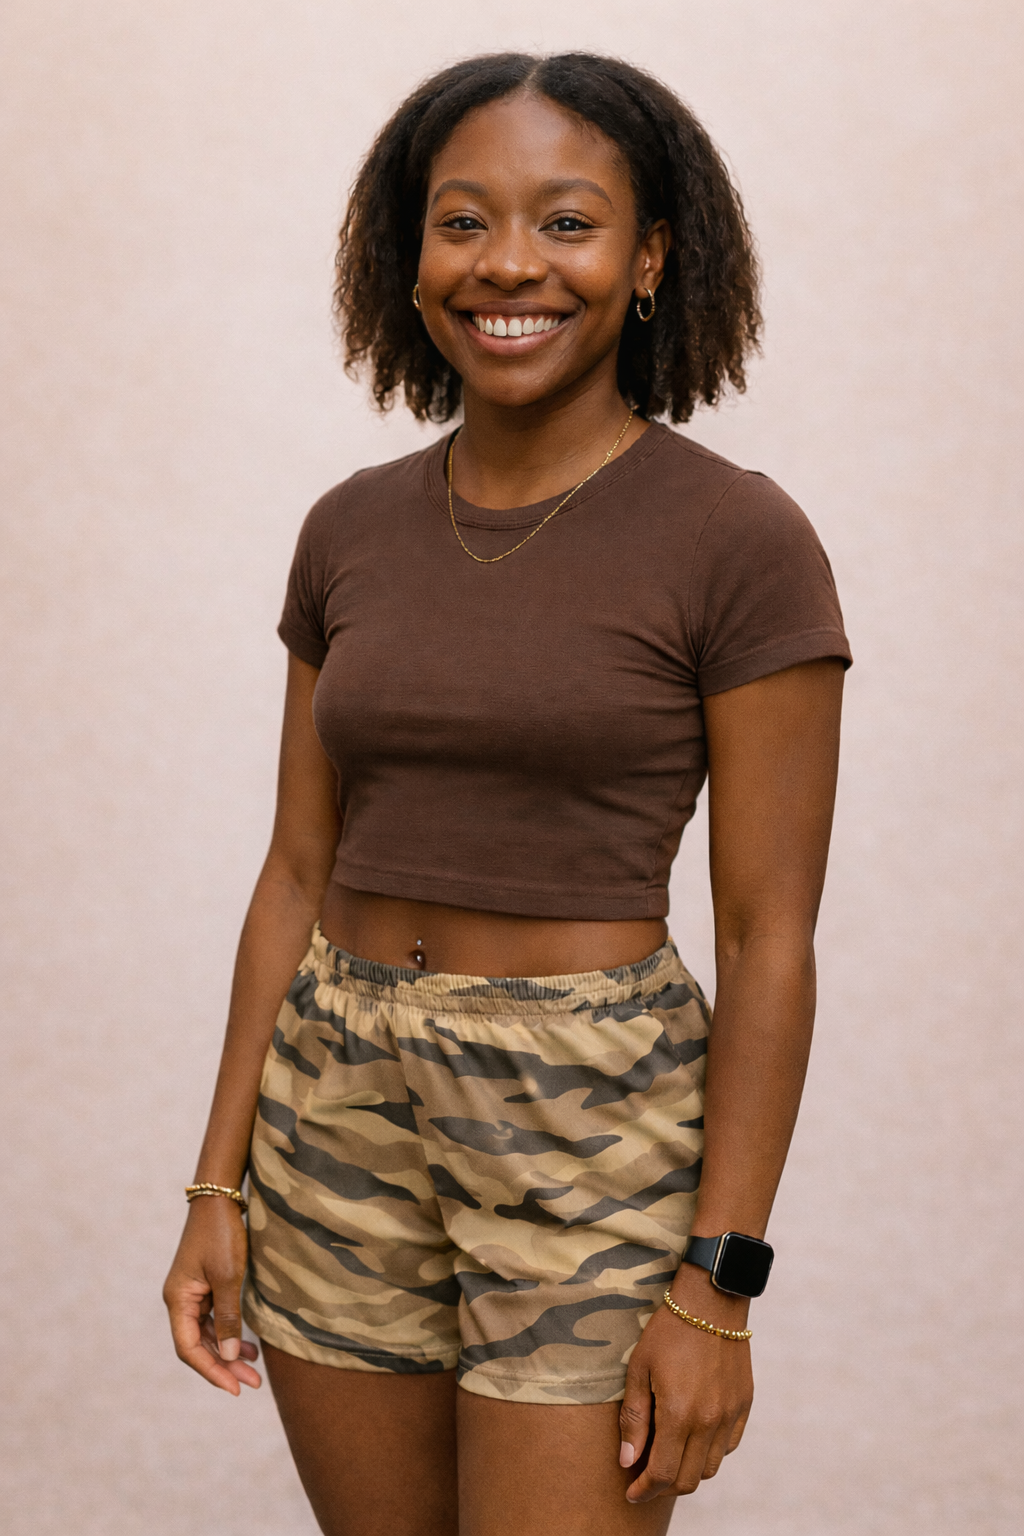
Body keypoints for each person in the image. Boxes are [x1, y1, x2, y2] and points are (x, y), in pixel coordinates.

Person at [163, 51, 850, 1536]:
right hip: (333, 1093)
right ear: (407, 255)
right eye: (464, 222)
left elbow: (769, 933)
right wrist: (216, 1185)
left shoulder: (738, 539)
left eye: (569, 222)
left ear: (653, 255)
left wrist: (719, 1285)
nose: (510, 265)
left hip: (590, 1113)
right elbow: (295, 868)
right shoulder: (347, 530)